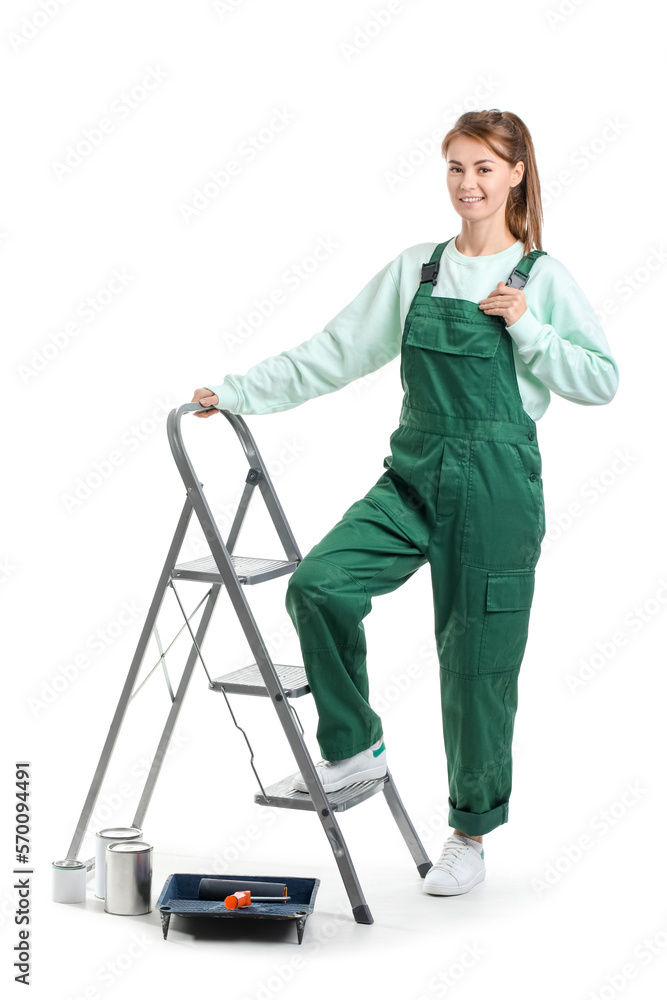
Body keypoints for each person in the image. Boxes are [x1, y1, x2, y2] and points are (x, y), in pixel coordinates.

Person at [191, 109, 619, 897]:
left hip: (496, 494)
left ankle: (469, 833)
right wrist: (241, 391)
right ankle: (352, 743)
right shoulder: (416, 270)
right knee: (318, 584)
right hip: (413, 477)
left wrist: (527, 329)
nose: (467, 184)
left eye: (484, 168)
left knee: (475, 668)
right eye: (455, 167)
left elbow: (600, 379)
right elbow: (334, 352)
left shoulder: (541, 278)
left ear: (516, 173)